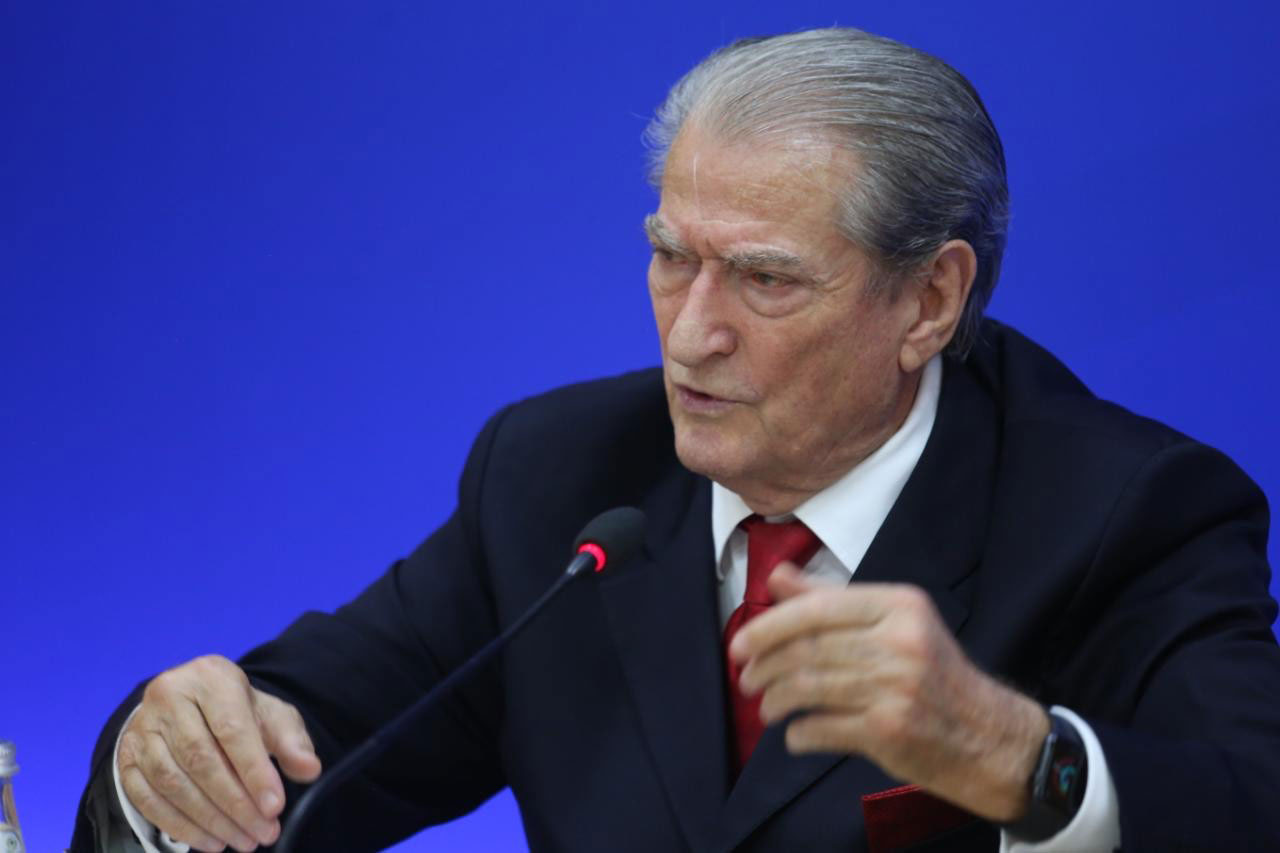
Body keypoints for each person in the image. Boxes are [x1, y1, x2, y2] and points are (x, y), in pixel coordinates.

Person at [71, 27, 1280, 853]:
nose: (690, 334)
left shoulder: (1126, 508)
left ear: (927, 301)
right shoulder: (556, 474)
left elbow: (1250, 810)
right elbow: (307, 740)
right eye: (668, 256)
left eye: (763, 278)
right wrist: (168, 759)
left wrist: (1023, 761)